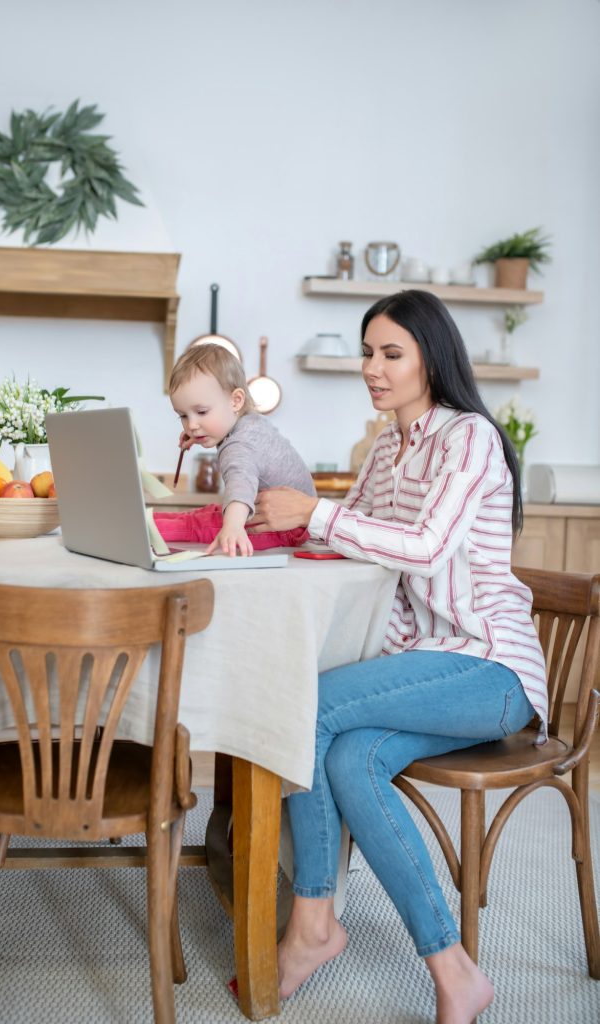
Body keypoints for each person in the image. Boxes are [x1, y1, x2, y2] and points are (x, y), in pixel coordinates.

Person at [250, 290, 547, 1024]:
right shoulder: (386, 448)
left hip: (491, 672)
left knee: (308, 704)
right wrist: (279, 532)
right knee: (350, 758)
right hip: (431, 664)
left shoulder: (469, 438)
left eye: (391, 354)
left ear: (430, 358)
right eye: (368, 353)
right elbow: (366, 548)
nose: (372, 369)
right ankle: (455, 972)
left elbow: (423, 547)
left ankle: (312, 921)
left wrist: (316, 511)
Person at [154, 344, 316, 556]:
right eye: (183, 416)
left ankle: (142, 527)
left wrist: (233, 527)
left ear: (235, 401)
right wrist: (199, 434)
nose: (191, 425)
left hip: (280, 527)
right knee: (208, 514)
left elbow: (241, 484)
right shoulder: (251, 423)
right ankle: (145, 520)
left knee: (199, 524)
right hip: (291, 523)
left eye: (201, 412)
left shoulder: (240, 445)